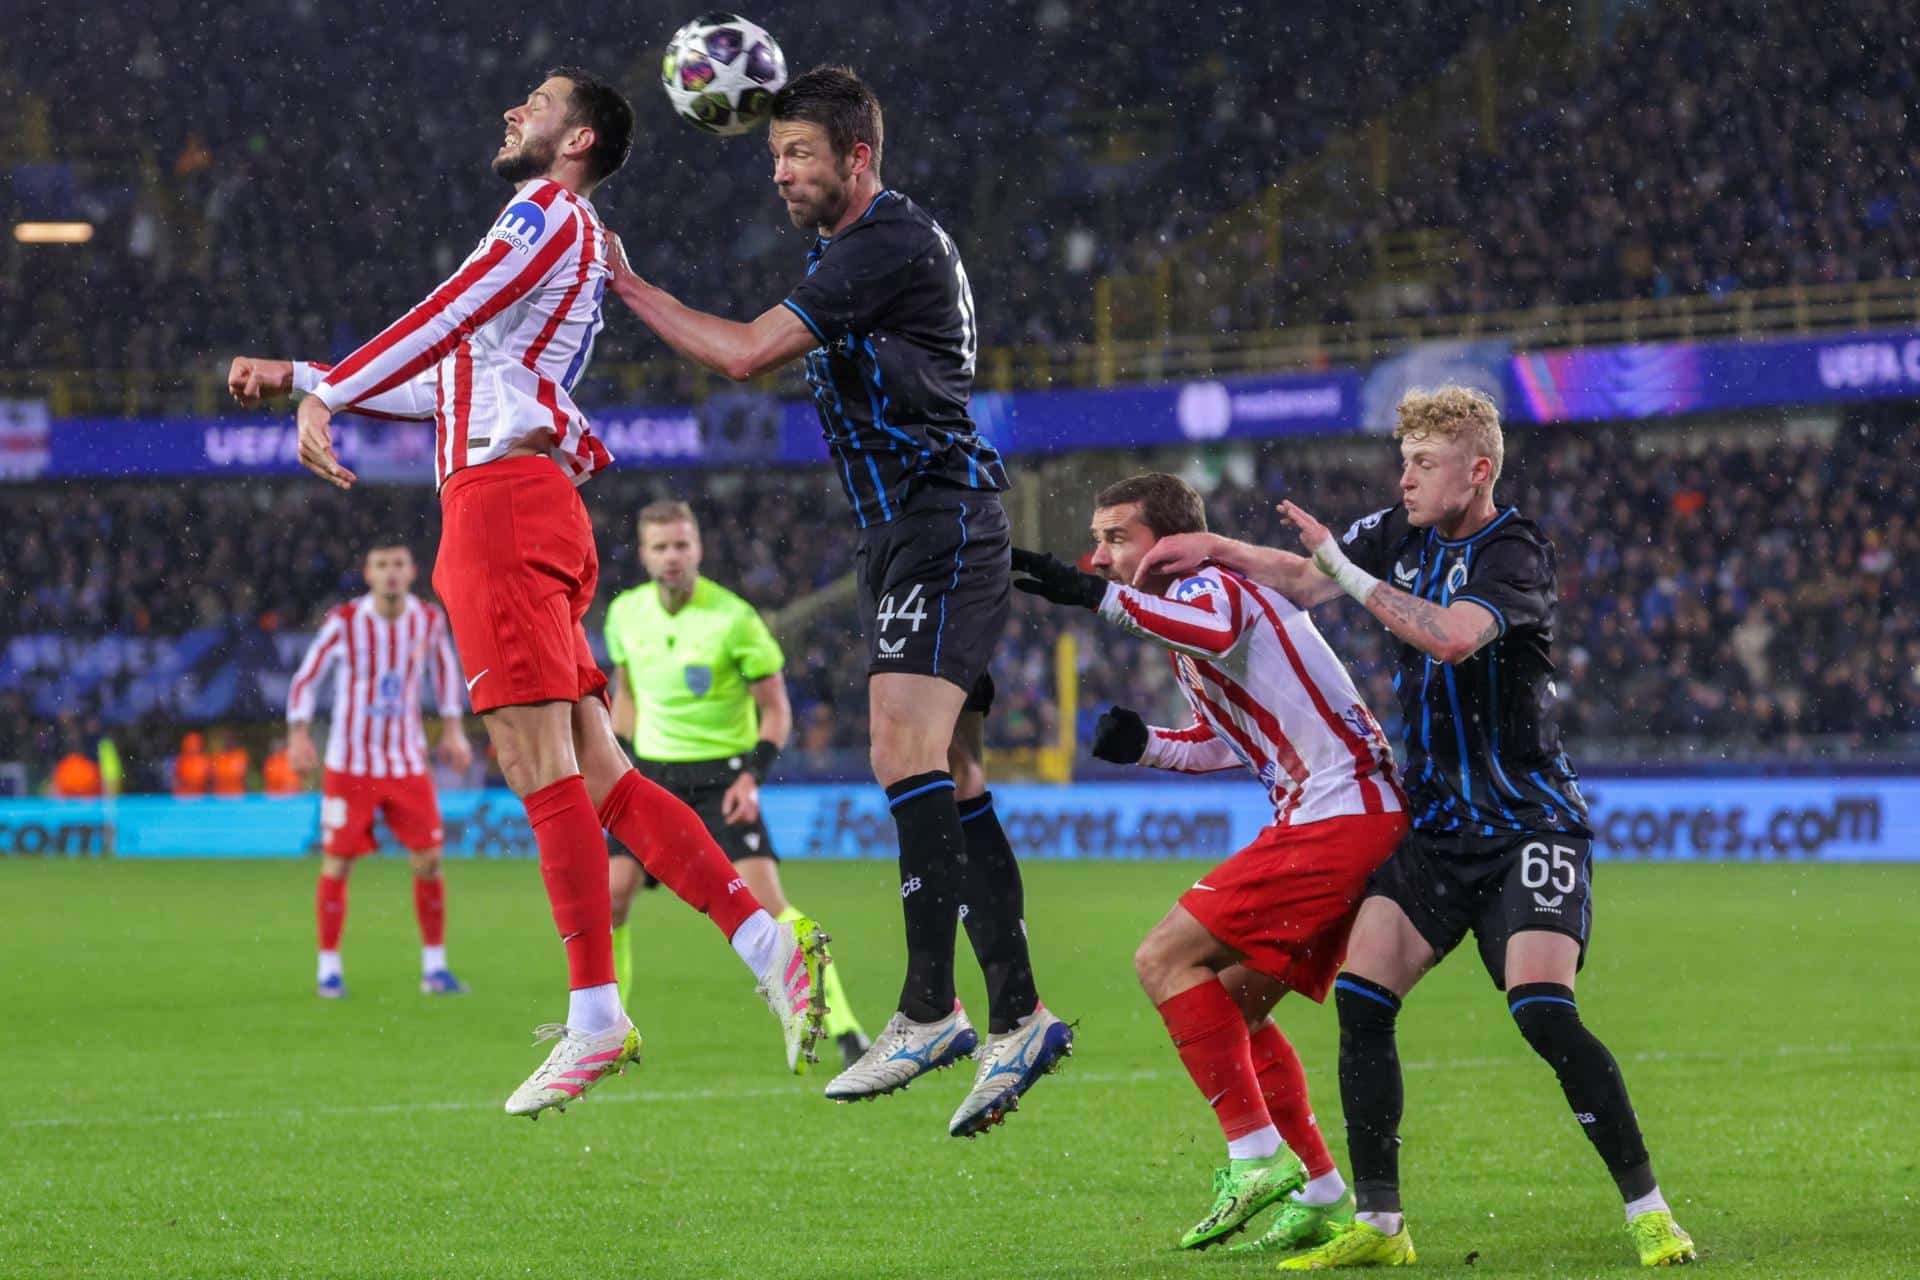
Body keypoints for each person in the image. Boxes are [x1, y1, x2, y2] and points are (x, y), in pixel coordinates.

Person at [225, 67, 826, 1119]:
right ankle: (771, 944)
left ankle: (596, 1014)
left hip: (500, 509)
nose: (512, 111)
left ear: (579, 138)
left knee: (534, 760)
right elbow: (452, 373)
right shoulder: (561, 240)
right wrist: (301, 375)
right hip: (523, 501)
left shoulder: (544, 211)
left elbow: (448, 312)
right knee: (602, 770)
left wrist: (330, 388)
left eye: (536, 103)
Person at [603, 64, 1070, 1137]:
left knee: (899, 750)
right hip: (916, 528)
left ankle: (927, 1005)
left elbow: (743, 354)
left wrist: (629, 284)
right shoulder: (861, 249)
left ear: (857, 158)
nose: (780, 173)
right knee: (949, 770)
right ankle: (1021, 1011)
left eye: (798, 154)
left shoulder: (882, 245)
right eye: (773, 156)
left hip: (936, 522)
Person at [1136, 386, 1695, 1269]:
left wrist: (1350, 573)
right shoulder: (1398, 530)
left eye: (1423, 464)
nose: (1404, 478)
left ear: (1476, 472)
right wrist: (1215, 548)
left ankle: (1650, 1209)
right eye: (1402, 459)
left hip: (1527, 825)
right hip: (1433, 828)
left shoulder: (1514, 552)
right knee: (1363, 1002)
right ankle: (1381, 1226)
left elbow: (1451, 639)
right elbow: (1302, 577)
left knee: (1543, 1012)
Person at [1012, 474, 1406, 1253]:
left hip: (1340, 814)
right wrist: (1147, 746)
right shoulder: (1194, 616)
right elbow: (1228, 740)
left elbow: (1214, 631)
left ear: (1169, 538)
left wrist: (1092, 600)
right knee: (1234, 1005)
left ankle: (1254, 1156)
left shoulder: (1211, 585)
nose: (1098, 557)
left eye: (1115, 538)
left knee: (1162, 958)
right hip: (1346, 816)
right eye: (1095, 542)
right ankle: (1325, 1192)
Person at [604, 500, 872, 1066]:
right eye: (660, 547)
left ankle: (845, 1028)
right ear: (645, 554)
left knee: (770, 906)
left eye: (681, 545)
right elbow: (625, 694)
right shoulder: (625, 615)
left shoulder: (735, 619)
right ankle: (606, 1030)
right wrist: (618, 759)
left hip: (722, 779)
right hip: (650, 776)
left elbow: (776, 711)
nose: (672, 557)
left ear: (698, 547)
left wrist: (752, 777)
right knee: (611, 898)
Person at [284, 539, 474, 998]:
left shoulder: (428, 619)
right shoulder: (345, 622)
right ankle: (328, 969)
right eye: (381, 565)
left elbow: (445, 673)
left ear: (412, 572)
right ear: (368, 574)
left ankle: (435, 968)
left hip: (406, 760)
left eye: (398, 564)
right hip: (349, 763)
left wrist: (453, 730)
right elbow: (307, 677)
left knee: (429, 860)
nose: (391, 573)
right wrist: (298, 734)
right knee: (339, 862)